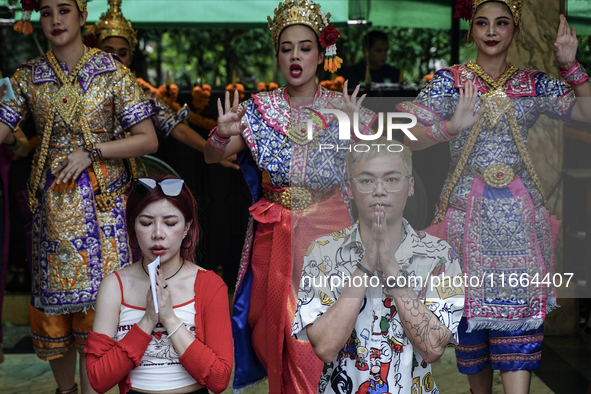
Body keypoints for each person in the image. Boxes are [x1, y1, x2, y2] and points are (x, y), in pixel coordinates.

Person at [397, 0, 591, 393]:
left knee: (519, 319)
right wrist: (451, 126)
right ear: (471, 31)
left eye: (501, 23)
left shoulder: (533, 84)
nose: (491, 31)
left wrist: (571, 67)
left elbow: (586, 115)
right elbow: (407, 134)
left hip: (521, 220)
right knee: (471, 325)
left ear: (514, 31)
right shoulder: (450, 82)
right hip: (466, 216)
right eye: (482, 23)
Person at [204, 0, 377, 391]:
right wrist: (222, 132)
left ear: (321, 53)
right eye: (286, 48)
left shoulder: (341, 108)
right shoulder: (259, 109)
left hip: (328, 234)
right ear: (277, 56)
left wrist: (358, 132)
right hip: (274, 235)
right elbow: (212, 156)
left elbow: (377, 166)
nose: (295, 56)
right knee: (274, 333)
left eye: (304, 47)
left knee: (319, 337)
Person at [0, 0, 158, 393]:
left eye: (64, 10)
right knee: (53, 315)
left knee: (98, 314)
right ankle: (65, 391)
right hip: (51, 209)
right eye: (47, 11)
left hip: (103, 209)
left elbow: (148, 138)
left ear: (82, 16)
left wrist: (93, 152)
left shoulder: (112, 72)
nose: (55, 20)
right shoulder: (26, 77)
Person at [292, 137, 464, 393]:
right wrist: (366, 264)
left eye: (392, 179)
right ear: (350, 189)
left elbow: (432, 348)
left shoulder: (439, 255)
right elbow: (326, 348)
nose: (379, 190)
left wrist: (392, 270)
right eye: (366, 180)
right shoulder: (322, 252)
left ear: (411, 186)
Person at [85, 175, 233, 394]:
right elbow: (98, 380)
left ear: (186, 227)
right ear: (133, 227)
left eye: (170, 223)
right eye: (145, 223)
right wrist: (147, 321)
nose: (157, 234)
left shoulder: (210, 285)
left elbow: (219, 380)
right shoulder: (114, 286)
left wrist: (170, 319)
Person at [92, 0, 238, 171]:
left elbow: (179, 129)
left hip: (129, 179)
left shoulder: (143, 96)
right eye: (108, 51)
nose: (115, 58)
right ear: (96, 53)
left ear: (130, 57)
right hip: (89, 177)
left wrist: (216, 153)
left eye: (122, 53)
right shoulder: (81, 90)